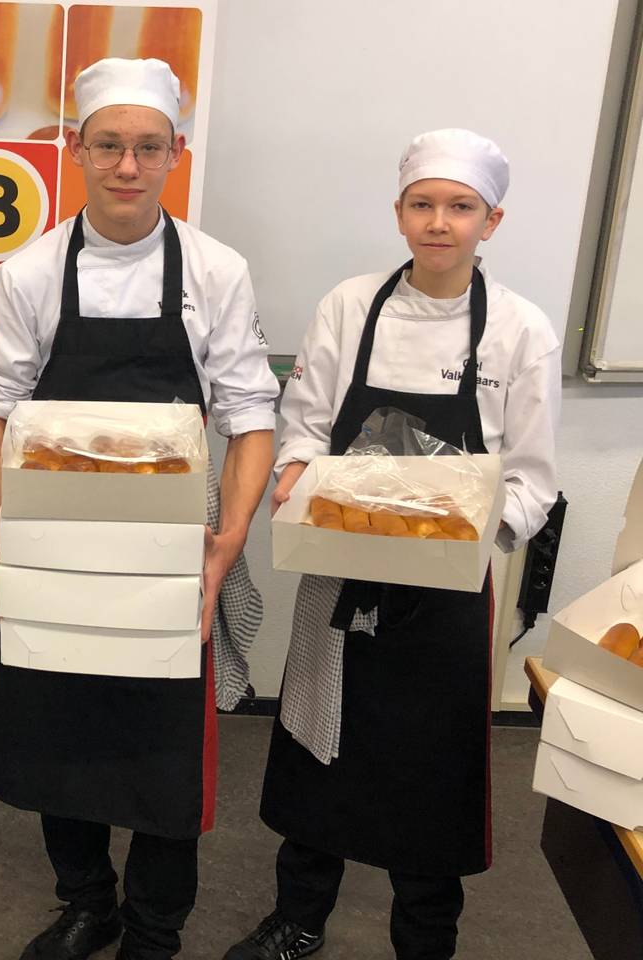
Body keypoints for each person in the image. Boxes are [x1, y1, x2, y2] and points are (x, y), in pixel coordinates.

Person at [223, 129, 560, 960]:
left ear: (493, 220)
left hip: (445, 591)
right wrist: (296, 482)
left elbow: (532, 481)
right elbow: (301, 430)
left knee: (431, 772)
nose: (439, 223)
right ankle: (298, 920)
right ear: (400, 213)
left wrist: (466, 535)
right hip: (340, 567)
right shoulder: (349, 306)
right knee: (313, 745)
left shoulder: (522, 330)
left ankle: (425, 938)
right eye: (423, 204)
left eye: (460, 207)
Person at [0, 57, 278, 960]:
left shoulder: (215, 272)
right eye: (107, 144)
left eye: (148, 147)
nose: (126, 166)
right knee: (55, 737)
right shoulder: (29, 274)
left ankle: (154, 930)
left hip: (169, 563)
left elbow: (252, 418)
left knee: (161, 758)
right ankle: (85, 903)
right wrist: (4, 528)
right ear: (76, 150)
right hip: (58, 555)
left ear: (175, 155)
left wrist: (225, 542)